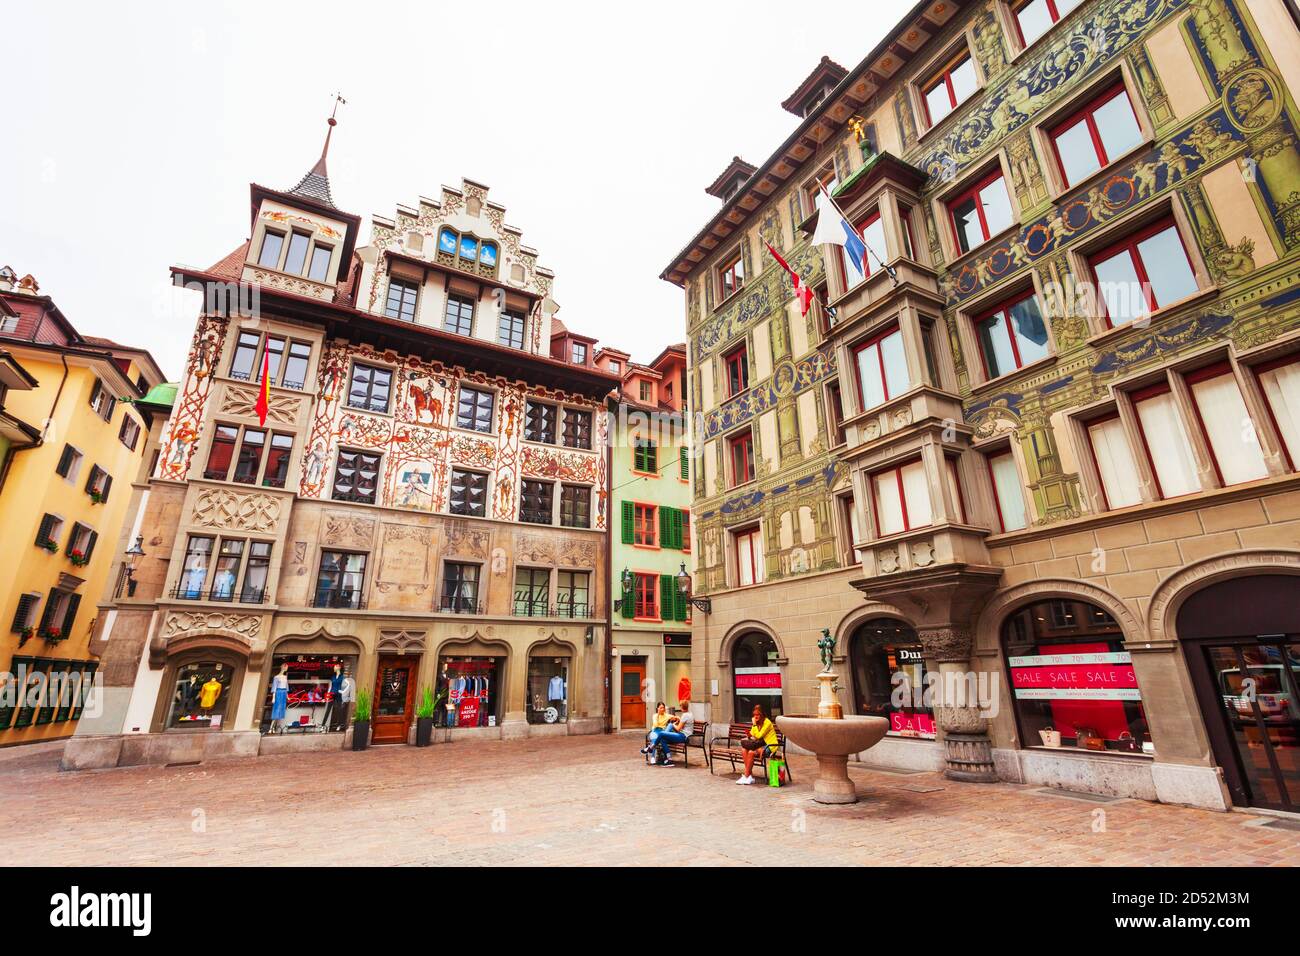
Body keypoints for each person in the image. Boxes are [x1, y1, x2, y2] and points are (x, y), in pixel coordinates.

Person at [737, 705, 778, 785]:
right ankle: (749, 776)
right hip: (760, 745)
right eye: (754, 715)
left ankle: (747, 776)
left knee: (751, 752)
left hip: (770, 746)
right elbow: (753, 734)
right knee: (744, 750)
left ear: (762, 714)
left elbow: (759, 735)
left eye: (758, 714)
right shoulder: (757, 723)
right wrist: (749, 734)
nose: (756, 716)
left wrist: (754, 724)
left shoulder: (767, 722)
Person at [653, 700, 694, 767]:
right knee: (662, 740)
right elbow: (685, 726)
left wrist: (672, 724)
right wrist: (676, 723)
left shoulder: (685, 715)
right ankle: (669, 759)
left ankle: (652, 746)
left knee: (661, 734)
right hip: (685, 735)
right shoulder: (690, 714)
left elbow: (678, 729)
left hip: (683, 736)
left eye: (680, 706)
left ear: (682, 707)